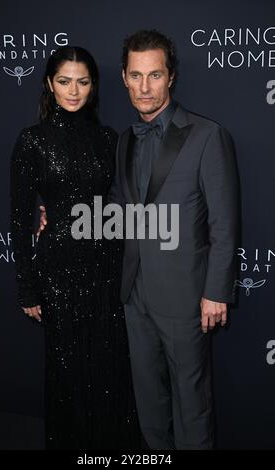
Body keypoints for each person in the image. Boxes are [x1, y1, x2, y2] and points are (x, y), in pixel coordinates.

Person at [109, 29, 240, 450]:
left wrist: (216, 290)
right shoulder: (125, 139)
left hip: (186, 296)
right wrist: (53, 214)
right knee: (149, 401)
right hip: (135, 293)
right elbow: (117, 206)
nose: (145, 87)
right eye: (136, 76)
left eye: (155, 75)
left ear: (171, 77)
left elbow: (224, 221)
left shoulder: (207, 135)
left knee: (191, 403)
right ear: (125, 79)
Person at [10, 45, 140, 449]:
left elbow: (121, 203)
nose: (73, 90)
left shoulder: (108, 138)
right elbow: (18, 222)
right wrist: (28, 287)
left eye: (82, 82)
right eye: (64, 81)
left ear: (93, 86)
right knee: (68, 374)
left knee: (109, 373)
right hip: (59, 272)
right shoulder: (32, 141)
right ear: (50, 84)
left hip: (107, 268)